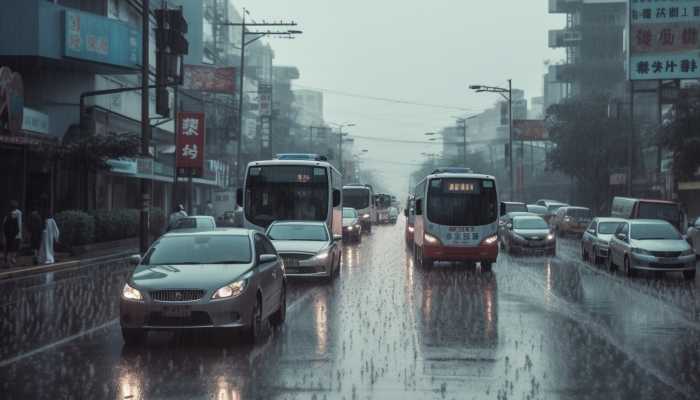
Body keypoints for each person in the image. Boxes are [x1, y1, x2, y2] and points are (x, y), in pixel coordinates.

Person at [2, 200, 22, 268]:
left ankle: (8, 262)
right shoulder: (17, 214)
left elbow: (4, 225)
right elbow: (17, 227)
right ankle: (9, 262)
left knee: (8, 249)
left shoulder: (7, 216)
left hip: (9, 235)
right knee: (11, 248)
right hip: (13, 235)